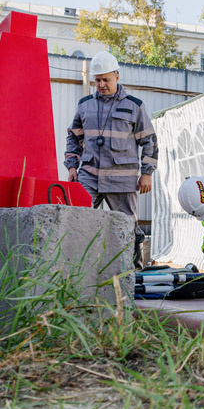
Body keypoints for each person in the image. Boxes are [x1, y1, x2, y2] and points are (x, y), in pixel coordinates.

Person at [64, 51, 157, 269]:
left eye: (106, 79)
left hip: (122, 180)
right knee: (75, 218)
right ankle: (76, 269)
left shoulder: (135, 106)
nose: (101, 84)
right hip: (90, 176)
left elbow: (150, 141)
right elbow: (73, 136)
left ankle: (134, 272)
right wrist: (71, 166)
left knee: (127, 226)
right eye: (97, 80)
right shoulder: (84, 104)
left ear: (117, 76)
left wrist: (146, 173)